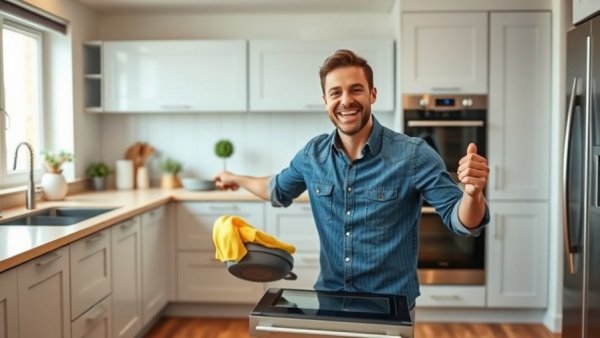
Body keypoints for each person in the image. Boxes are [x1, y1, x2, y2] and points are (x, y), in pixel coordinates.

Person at [214, 49, 490, 312]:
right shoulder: (313, 155)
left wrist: (473, 194)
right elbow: (276, 188)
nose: (345, 100)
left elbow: (462, 222)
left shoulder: (413, 155)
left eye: (356, 89)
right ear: (325, 101)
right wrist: (236, 178)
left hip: (391, 304)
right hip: (331, 298)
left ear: (372, 94)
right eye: (336, 92)